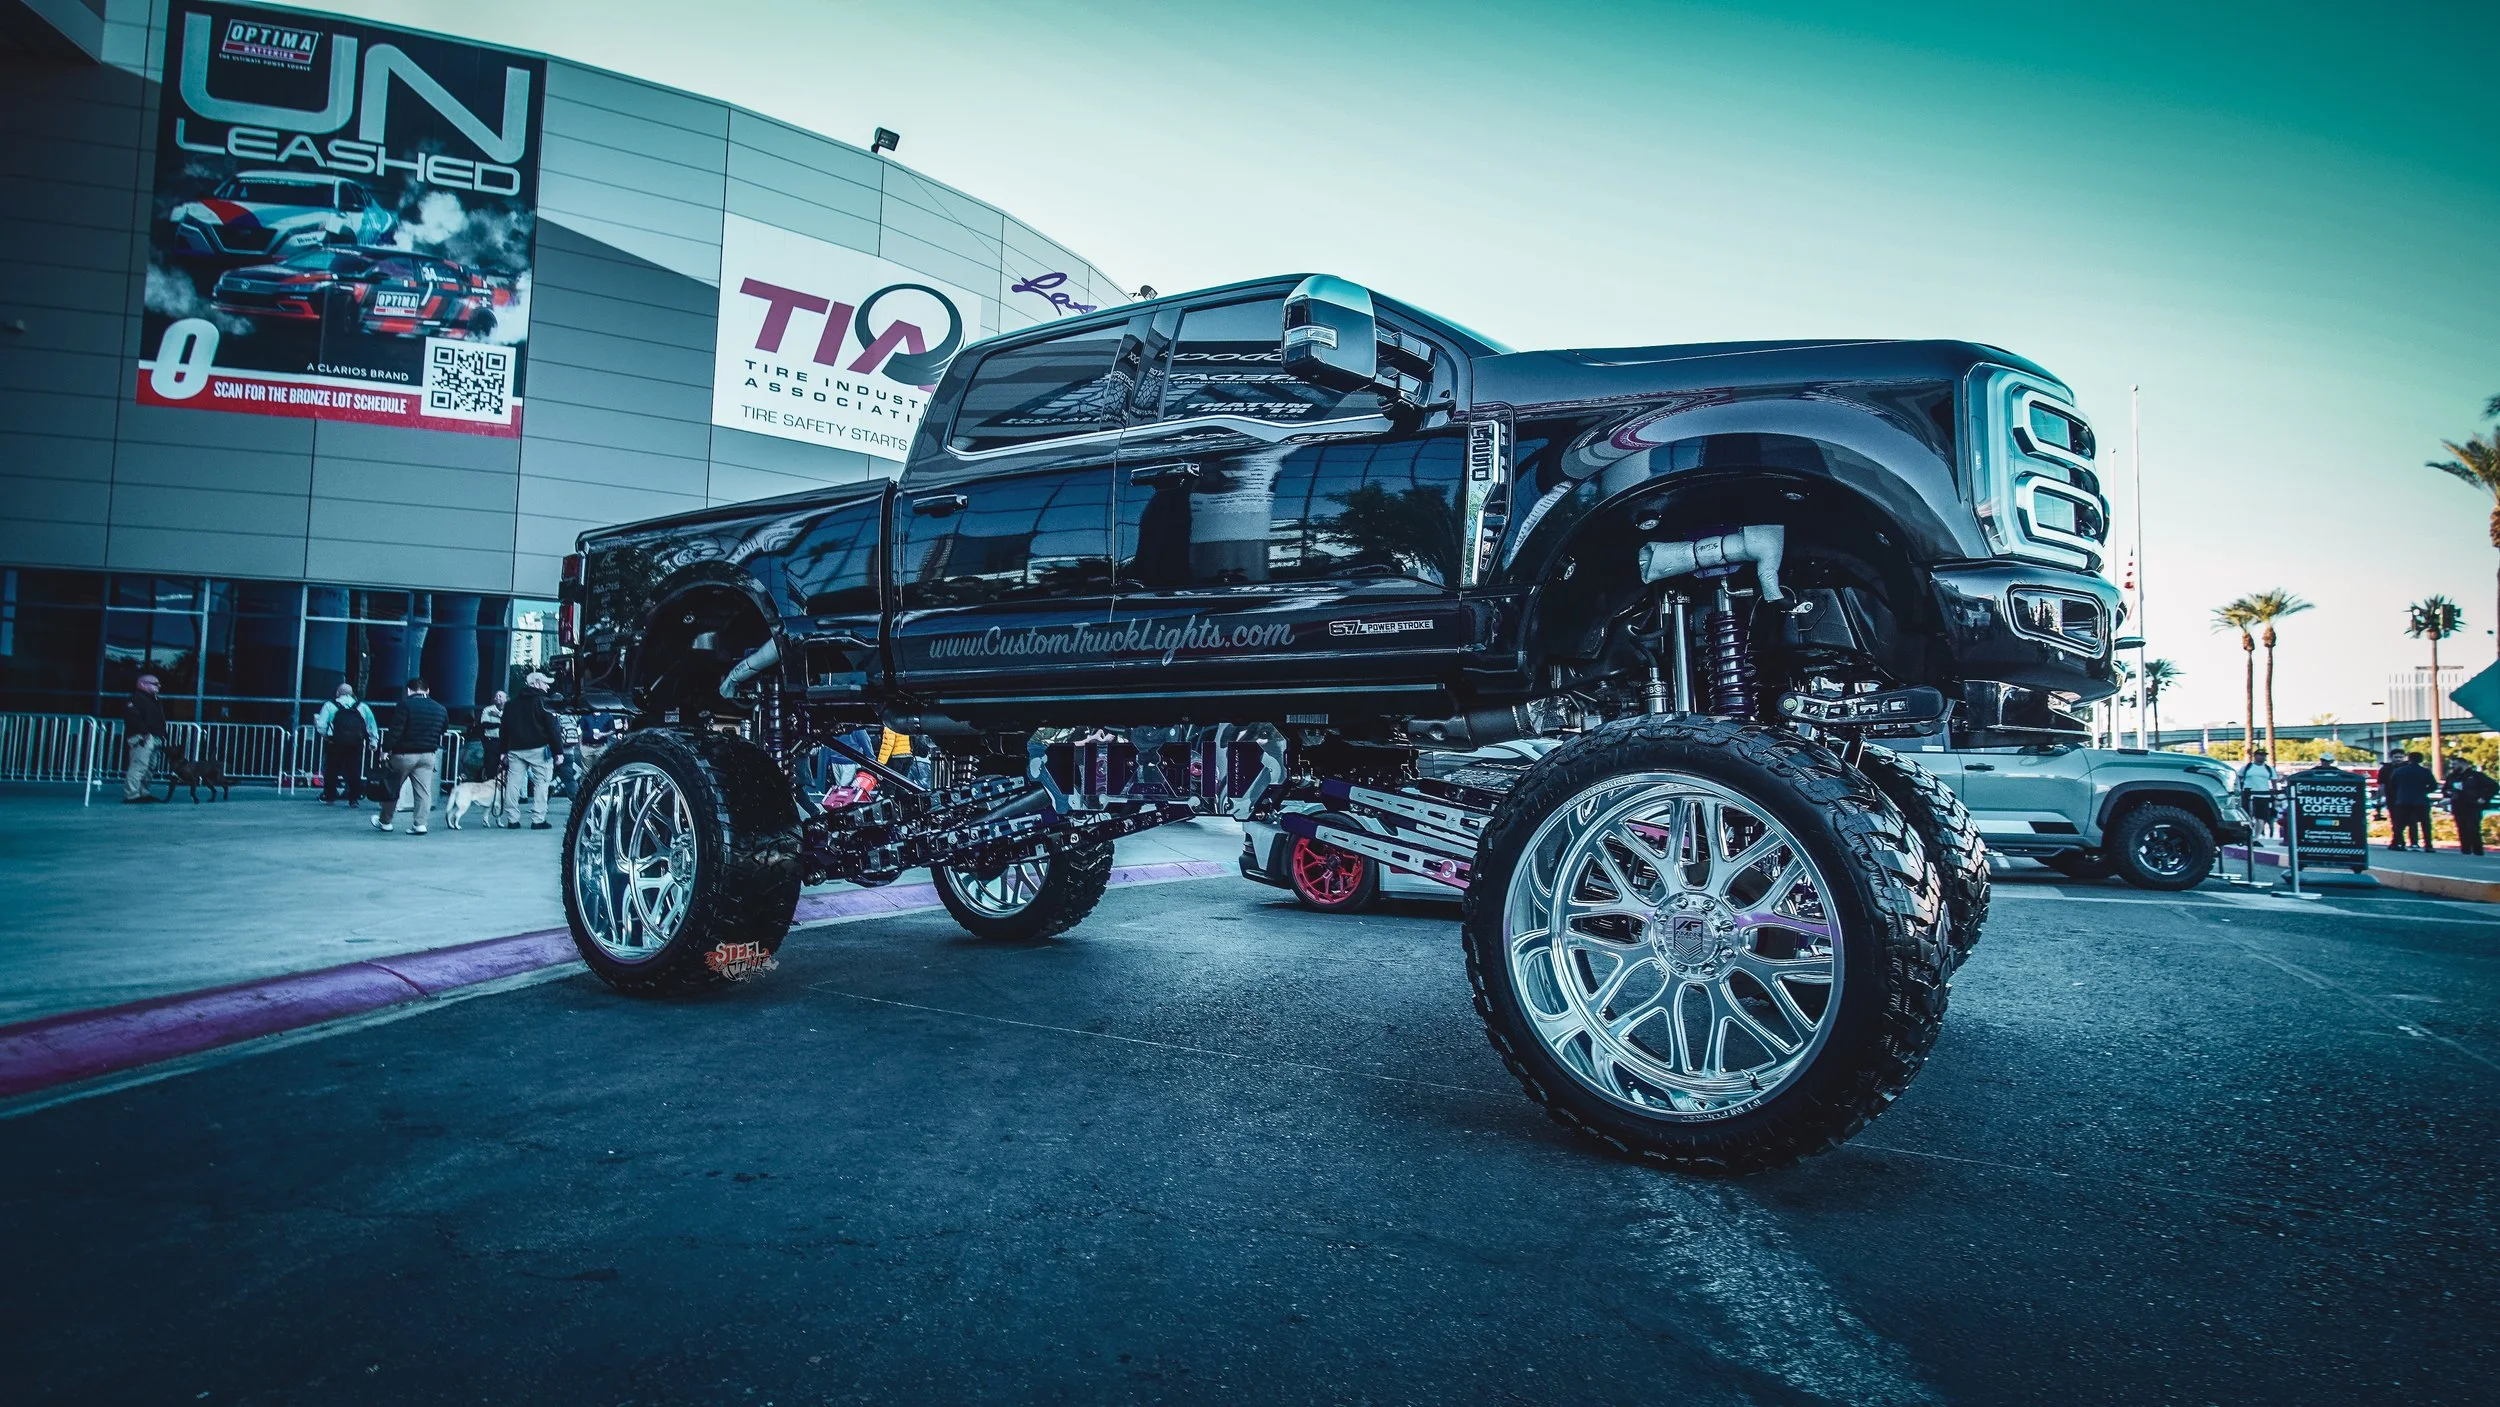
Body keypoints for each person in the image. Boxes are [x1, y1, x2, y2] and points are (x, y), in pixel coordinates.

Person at [372, 677, 447, 836]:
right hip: (428, 756)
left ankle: (385, 821)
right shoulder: (440, 708)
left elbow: (396, 731)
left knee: (391, 788)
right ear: (427, 691)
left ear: (408, 691)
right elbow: (443, 728)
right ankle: (420, 824)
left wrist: (386, 750)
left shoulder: (405, 705)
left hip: (404, 755)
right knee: (423, 791)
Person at [498, 670, 559, 831]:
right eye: (545, 683)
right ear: (537, 683)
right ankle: (538, 820)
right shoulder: (544, 702)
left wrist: (503, 751)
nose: (547, 687)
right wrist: (557, 751)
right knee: (541, 783)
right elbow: (552, 728)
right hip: (539, 749)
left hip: (515, 750)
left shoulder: (510, 704)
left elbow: (503, 729)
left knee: (513, 783)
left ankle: (512, 819)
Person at [314, 682, 378, 807]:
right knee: (354, 770)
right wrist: (373, 741)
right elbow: (371, 725)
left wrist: (326, 736)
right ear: (352, 693)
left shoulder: (329, 705)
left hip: (335, 743)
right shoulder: (362, 706)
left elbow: (321, 726)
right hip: (356, 744)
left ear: (338, 693)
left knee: (332, 769)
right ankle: (353, 799)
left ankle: (330, 797)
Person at [120, 672, 168, 804]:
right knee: (139, 766)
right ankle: (131, 794)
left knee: (149, 767)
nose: (158, 686)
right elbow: (132, 717)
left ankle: (143, 792)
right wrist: (144, 733)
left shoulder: (154, 699)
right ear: (142, 684)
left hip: (154, 737)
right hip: (143, 737)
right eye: (154, 684)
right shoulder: (136, 699)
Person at [2383, 750, 2438, 852]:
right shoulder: (2425, 771)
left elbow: (2392, 785)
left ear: (2409, 759)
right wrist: (2423, 791)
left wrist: (2401, 791)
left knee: (2399, 824)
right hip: (2421, 800)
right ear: (2421, 760)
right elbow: (2433, 786)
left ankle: (2398, 843)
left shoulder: (2399, 771)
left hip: (2403, 800)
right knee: (2425, 824)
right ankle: (2428, 845)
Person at [2447, 758, 2496, 857]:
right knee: (2462, 828)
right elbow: (2446, 789)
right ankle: (2465, 850)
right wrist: (2449, 793)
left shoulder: (2476, 776)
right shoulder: (2452, 777)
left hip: (2473, 806)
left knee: (2473, 828)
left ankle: (2477, 851)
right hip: (2458, 805)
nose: (2453, 766)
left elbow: (2494, 786)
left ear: (2463, 764)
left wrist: (2484, 798)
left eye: (2455, 764)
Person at [2235, 747, 2280, 842]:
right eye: (2260, 755)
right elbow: (2239, 779)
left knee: (2261, 817)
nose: (2262, 757)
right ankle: (2247, 835)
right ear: (2255, 756)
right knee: (2247, 815)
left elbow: (2274, 782)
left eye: (2264, 755)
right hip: (2248, 794)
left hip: (2263, 795)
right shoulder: (2247, 767)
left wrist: (2275, 796)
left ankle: (2256, 836)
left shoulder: (2269, 769)